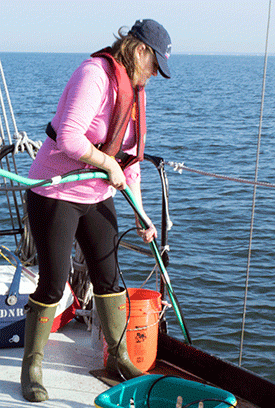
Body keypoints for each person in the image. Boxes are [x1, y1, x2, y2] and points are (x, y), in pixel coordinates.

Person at [21, 19, 172, 402]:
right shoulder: (94, 74)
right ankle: (32, 365)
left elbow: (131, 162)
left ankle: (118, 358)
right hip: (55, 193)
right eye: (154, 66)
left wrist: (142, 212)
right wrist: (107, 165)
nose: (153, 76)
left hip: (96, 196)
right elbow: (70, 137)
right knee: (54, 284)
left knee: (110, 279)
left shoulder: (135, 91)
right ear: (140, 51)